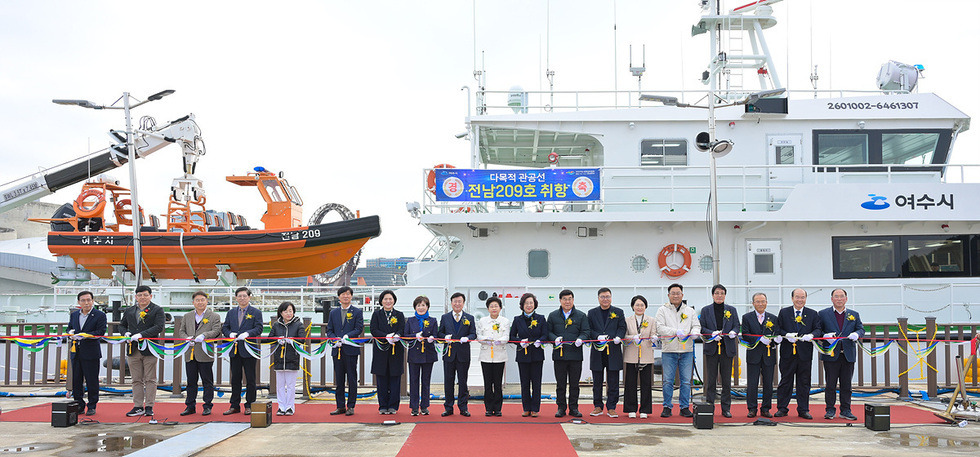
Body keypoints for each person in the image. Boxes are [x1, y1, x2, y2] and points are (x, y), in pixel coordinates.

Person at [119, 285, 165, 418]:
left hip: (149, 348)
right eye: (139, 295)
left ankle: (150, 406)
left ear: (150, 296)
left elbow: (159, 327)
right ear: (135, 297)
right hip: (133, 348)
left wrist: (142, 335)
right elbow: (121, 325)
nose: (142, 297)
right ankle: (138, 406)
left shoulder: (157, 310)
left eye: (145, 295)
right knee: (136, 379)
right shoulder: (129, 310)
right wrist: (125, 333)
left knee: (150, 378)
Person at [818, 289, 865, 420]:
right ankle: (830, 410)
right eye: (836, 296)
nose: (839, 299)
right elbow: (818, 330)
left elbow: (861, 328)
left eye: (842, 296)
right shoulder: (823, 314)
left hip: (848, 354)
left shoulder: (854, 314)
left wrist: (857, 334)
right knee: (830, 384)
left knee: (847, 385)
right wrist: (824, 336)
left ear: (846, 299)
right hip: (831, 354)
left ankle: (846, 410)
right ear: (831, 299)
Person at [775, 288, 821, 420]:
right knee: (785, 381)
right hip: (787, 353)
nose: (800, 300)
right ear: (792, 298)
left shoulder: (812, 314)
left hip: (804, 354)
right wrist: (785, 334)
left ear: (806, 299)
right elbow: (778, 328)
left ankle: (803, 409)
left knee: (804, 382)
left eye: (802, 297)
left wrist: (811, 335)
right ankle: (782, 408)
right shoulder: (784, 312)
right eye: (797, 297)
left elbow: (818, 329)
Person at [655, 283, 700, 418]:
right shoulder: (662, 310)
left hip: (686, 351)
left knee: (686, 381)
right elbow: (659, 328)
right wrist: (676, 332)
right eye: (673, 293)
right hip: (669, 350)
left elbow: (696, 325)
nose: (675, 295)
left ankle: (684, 407)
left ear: (682, 295)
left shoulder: (690, 311)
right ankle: (667, 406)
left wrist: (695, 332)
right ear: (668, 295)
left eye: (678, 293)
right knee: (668, 380)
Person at [176, 291, 222, 416]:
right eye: (197, 300)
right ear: (193, 302)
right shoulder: (187, 316)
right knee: (191, 381)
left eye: (202, 300)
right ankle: (190, 406)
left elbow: (216, 330)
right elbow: (181, 330)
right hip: (190, 352)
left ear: (207, 301)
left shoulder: (214, 316)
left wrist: (204, 335)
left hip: (205, 352)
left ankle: (207, 405)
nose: (200, 302)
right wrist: (186, 338)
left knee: (207, 381)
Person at [547, 289, 591, 418]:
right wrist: (554, 338)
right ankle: (561, 407)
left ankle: (574, 408)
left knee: (574, 384)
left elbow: (586, 331)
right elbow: (548, 331)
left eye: (570, 299)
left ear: (573, 300)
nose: (568, 301)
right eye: (565, 299)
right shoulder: (553, 315)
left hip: (575, 355)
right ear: (560, 300)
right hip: (559, 355)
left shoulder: (581, 316)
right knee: (560, 384)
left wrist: (581, 339)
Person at [698, 284, 740, 418]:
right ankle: (709, 406)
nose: (719, 295)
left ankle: (726, 408)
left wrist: (734, 332)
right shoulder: (705, 310)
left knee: (727, 380)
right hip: (712, 348)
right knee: (711, 380)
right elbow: (702, 328)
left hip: (727, 348)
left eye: (722, 293)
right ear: (712, 295)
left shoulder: (731, 310)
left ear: (725, 295)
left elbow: (737, 325)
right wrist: (712, 333)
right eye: (717, 293)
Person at [221, 286, 264, 415]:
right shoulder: (231, 313)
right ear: (236, 298)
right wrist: (229, 334)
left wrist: (247, 333)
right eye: (239, 296)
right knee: (235, 379)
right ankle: (234, 405)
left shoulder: (256, 312)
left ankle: (250, 404)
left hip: (249, 349)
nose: (242, 298)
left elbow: (259, 328)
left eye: (244, 296)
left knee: (251, 379)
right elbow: (225, 328)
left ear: (249, 297)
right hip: (235, 350)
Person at [587, 287, 627, 417]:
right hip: (597, 351)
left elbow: (622, 327)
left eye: (608, 296)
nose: (605, 299)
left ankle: (611, 407)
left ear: (611, 297)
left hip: (613, 351)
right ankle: (598, 406)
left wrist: (618, 337)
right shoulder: (592, 313)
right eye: (603, 297)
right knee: (597, 381)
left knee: (613, 381)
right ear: (598, 298)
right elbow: (589, 329)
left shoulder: (618, 312)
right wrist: (597, 336)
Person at [67, 290, 107, 416]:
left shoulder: (99, 315)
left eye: (88, 300)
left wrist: (85, 336)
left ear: (93, 301)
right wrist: (71, 334)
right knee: (76, 380)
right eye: (83, 300)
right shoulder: (74, 315)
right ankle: (78, 403)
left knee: (92, 380)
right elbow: (69, 328)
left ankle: (92, 405)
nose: (86, 303)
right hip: (76, 351)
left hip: (91, 352)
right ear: (79, 302)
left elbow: (100, 331)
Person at [437, 292, 477, 417]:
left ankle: (463, 407)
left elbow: (473, 334)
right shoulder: (445, 317)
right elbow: (439, 334)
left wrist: (467, 338)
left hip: (463, 354)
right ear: (451, 303)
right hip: (449, 354)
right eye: (455, 301)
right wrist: (445, 337)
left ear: (463, 303)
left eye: (460, 301)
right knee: (448, 381)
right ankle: (448, 407)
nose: (457, 304)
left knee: (463, 382)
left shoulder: (469, 318)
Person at [741, 292, 780, 418]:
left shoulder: (773, 318)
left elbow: (777, 333)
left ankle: (766, 408)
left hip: (769, 355)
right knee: (752, 383)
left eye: (763, 301)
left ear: (766, 302)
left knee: (768, 383)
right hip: (754, 354)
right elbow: (745, 334)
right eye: (757, 301)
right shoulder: (747, 317)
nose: (760, 304)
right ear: (753, 303)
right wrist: (759, 339)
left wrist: (775, 340)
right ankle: (752, 408)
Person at [327, 286, 364, 416]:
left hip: (350, 349)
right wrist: (333, 339)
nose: (345, 296)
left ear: (351, 296)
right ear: (339, 297)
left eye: (348, 294)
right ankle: (340, 406)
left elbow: (358, 328)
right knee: (339, 379)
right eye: (343, 294)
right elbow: (329, 330)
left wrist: (348, 336)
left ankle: (351, 406)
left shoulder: (357, 312)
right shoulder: (333, 313)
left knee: (352, 379)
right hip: (337, 350)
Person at [510, 293, 548, 417]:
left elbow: (545, 334)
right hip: (523, 355)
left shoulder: (541, 318)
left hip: (537, 354)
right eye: (526, 303)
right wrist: (519, 342)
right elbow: (511, 337)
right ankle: (526, 408)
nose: (529, 305)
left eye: (531, 303)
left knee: (536, 383)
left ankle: (535, 408)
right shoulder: (517, 319)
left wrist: (540, 341)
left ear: (535, 304)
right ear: (522, 305)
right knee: (524, 383)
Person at [369, 290, 405, 415]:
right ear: (381, 301)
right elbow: (373, 329)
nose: (388, 301)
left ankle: (393, 406)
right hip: (380, 351)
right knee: (381, 379)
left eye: (390, 299)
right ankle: (383, 405)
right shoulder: (376, 314)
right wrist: (386, 336)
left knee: (395, 379)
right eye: (385, 299)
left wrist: (397, 335)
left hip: (396, 350)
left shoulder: (399, 315)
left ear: (394, 300)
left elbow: (402, 329)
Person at [623, 295, 656, 419]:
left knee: (646, 383)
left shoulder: (651, 320)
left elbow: (653, 334)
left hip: (646, 354)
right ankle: (631, 408)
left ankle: (645, 409)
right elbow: (624, 336)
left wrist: (654, 337)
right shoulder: (627, 320)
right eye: (637, 305)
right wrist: (633, 338)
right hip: (631, 354)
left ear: (646, 307)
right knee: (630, 383)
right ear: (632, 306)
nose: (639, 307)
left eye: (642, 305)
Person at [405, 295, 438, 416]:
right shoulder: (410, 320)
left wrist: (431, 338)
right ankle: (414, 407)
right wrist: (414, 337)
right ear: (415, 307)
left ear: (427, 307)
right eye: (418, 305)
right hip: (414, 354)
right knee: (414, 381)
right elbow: (405, 336)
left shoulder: (433, 320)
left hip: (428, 354)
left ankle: (424, 406)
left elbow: (436, 335)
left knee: (426, 381)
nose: (421, 307)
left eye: (423, 305)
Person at [477, 296, 510, 417]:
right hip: (485, 355)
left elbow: (506, 336)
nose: (494, 308)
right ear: (488, 308)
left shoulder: (505, 321)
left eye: (496, 306)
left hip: (499, 355)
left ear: (500, 308)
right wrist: (485, 339)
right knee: (487, 383)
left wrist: (499, 340)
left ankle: (498, 408)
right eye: (491, 306)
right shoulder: (482, 321)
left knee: (497, 383)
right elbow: (478, 336)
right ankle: (488, 408)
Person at [269, 301, 303, 416]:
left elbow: (302, 339)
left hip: (292, 357)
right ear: (281, 313)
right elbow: (269, 338)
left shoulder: (298, 324)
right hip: (279, 357)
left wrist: (292, 340)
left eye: (290, 311)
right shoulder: (276, 324)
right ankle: (281, 406)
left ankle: (290, 407)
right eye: (286, 311)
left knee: (290, 385)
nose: (289, 313)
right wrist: (277, 339)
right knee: (280, 386)